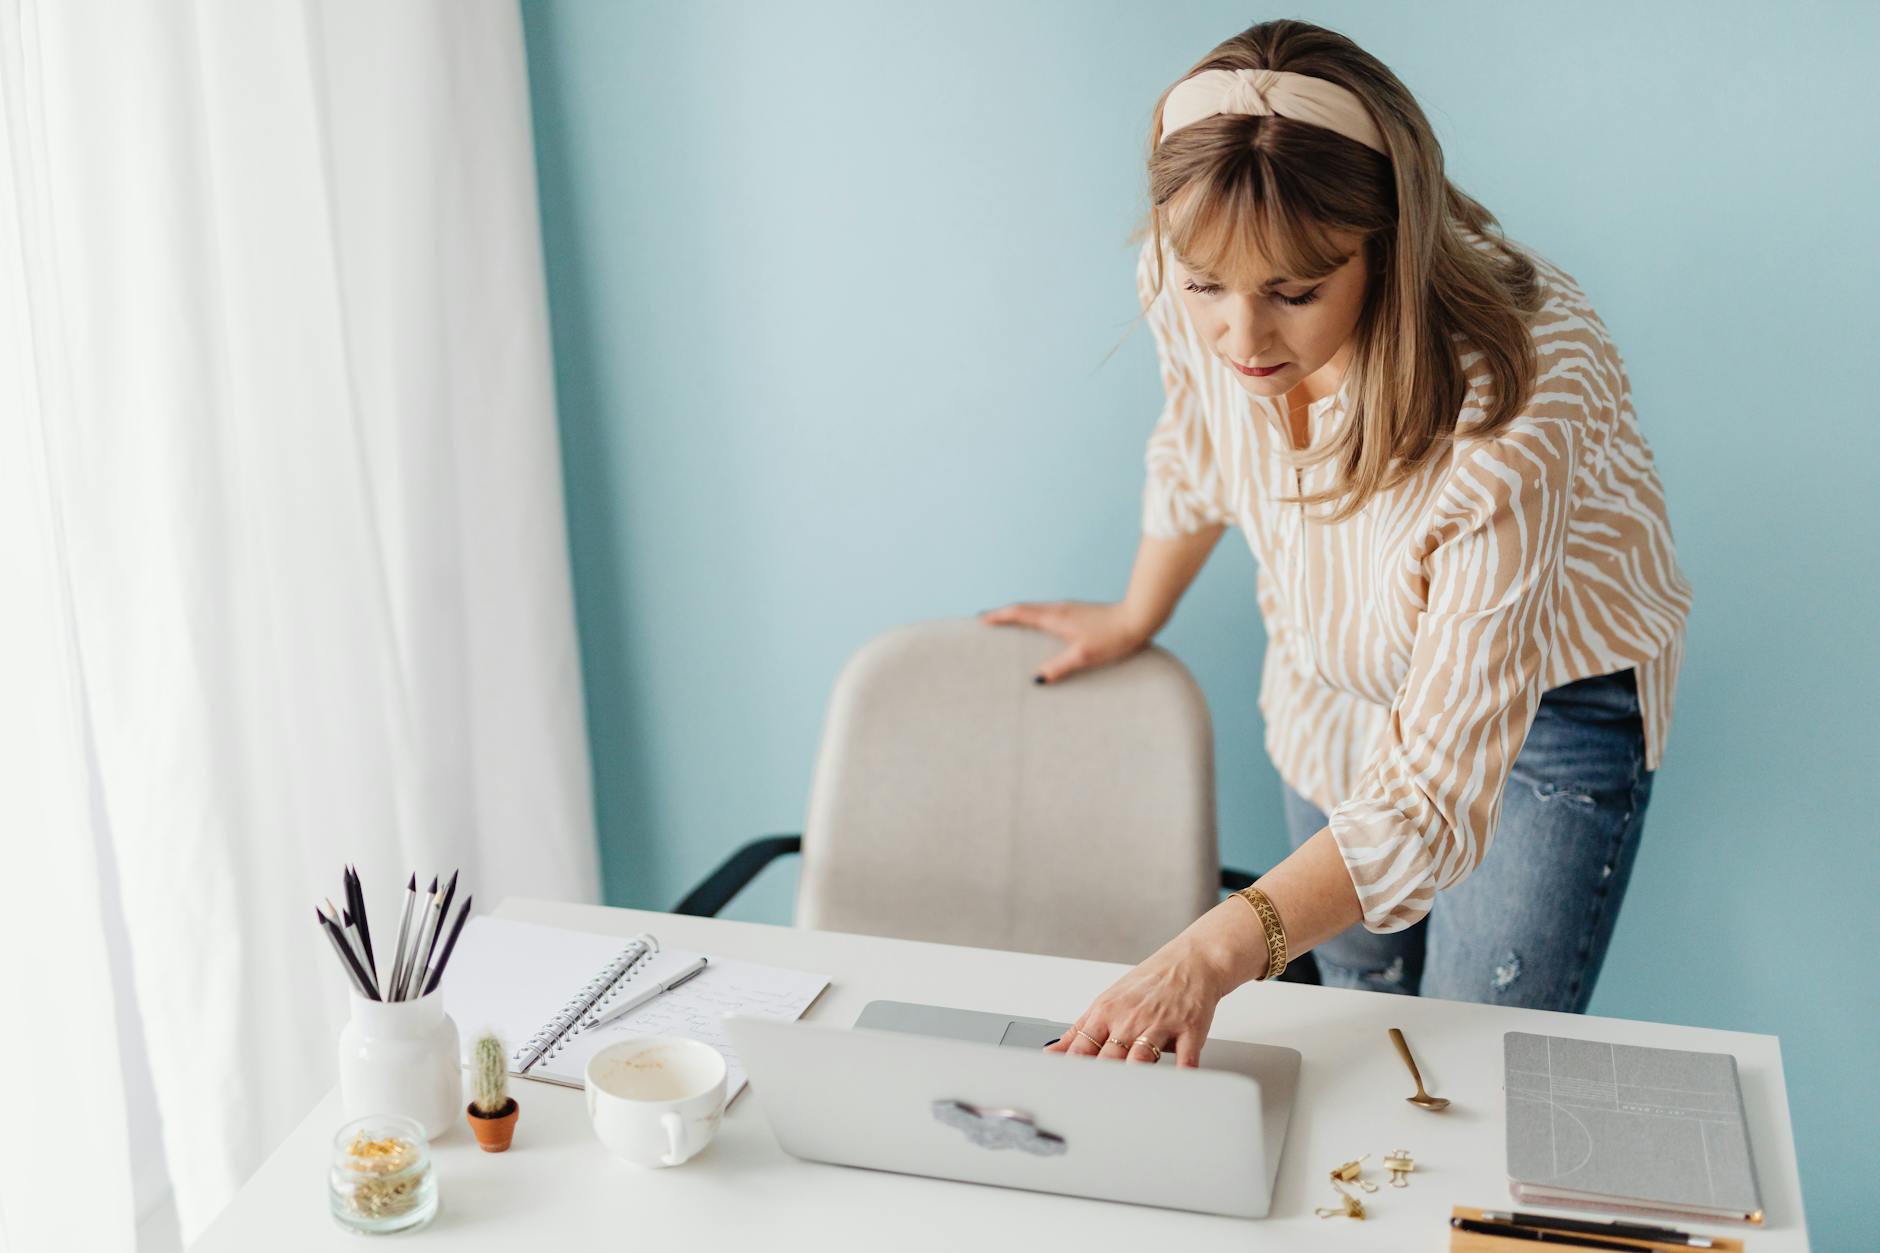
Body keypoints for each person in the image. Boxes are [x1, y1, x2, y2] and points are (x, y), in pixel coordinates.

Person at [981, 19, 1692, 1068]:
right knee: (1354, 1013)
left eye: (1295, 293)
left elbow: (1432, 794)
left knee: (1464, 1057)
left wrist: (1215, 947)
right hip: (1331, 680)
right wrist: (1138, 610)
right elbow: (1197, 445)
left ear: (1387, 244)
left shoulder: (1515, 398)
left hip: (1537, 707)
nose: (1240, 337)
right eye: (1205, 287)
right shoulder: (1201, 275)